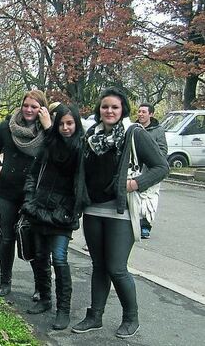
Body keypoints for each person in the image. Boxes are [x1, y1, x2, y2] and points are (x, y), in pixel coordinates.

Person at [72, 87, 168, 338]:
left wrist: (135, 184)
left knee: (116, 267)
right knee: (99, 266)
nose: (109, 111)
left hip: (121, 211)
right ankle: (94, 316)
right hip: (93, 209)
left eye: (114, 107)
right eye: (105, 107)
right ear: (99, 110)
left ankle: (131, 318)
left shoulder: (133, 134)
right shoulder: (91, 135)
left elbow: (161, 167)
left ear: (122, 110)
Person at [21, 104, 86, 330]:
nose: (65, 128)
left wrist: (50, 130)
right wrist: (29, 199)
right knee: (39, 257)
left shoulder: (79, 148)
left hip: (62, 215)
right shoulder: (48, 144)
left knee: (59, 259)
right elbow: (33, 172)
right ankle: (46, 299)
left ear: (76, 124)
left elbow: (65, 159)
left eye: (69, 123)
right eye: (61, 124)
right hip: (39, 209)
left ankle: (63, 310)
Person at [0, 90, 52, 298]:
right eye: (26, 105)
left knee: (33, 240)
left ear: (41, 109)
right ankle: (5, 282)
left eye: (34, 106)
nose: (29, 110)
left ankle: (40, 287)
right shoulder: (7, 127)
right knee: (5, 238)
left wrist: (49, 126)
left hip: (34, 194)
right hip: (6, 191)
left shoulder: (48, 131)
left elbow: (59, 152)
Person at [135, 103, 167, 239]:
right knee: (135, 198)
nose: (141, 114)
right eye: (139, 111)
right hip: (136, 169)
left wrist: (153, 160)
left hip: (151, 171)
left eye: (144, 112)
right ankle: (134, 223)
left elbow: (163, 150)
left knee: (149, 199)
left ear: (151, 114)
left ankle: (146, 226)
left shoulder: (158, 130)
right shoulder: (134, 128)